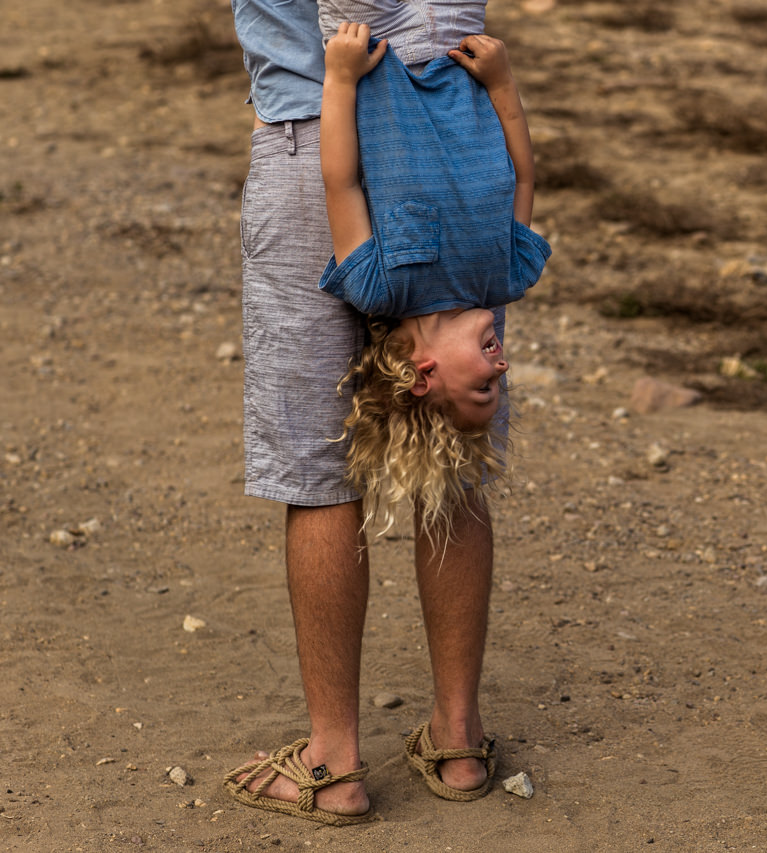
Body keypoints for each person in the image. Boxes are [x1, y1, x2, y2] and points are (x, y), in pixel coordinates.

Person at [222, 0, 514, 826]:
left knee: (318, 471)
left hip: (316, 128)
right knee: (449, 452)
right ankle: (458, 739)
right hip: (454, 146)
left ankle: (334, 760)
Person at [319, 21, 549, 537]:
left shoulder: (378, 289)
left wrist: (338, 78)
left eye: (485, 385)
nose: (503, 365)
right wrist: (502, 83)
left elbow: (342, 184)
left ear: (422, 376)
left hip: (374, 58)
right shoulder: (511, 274)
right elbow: (526, 175)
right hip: (459, 62)